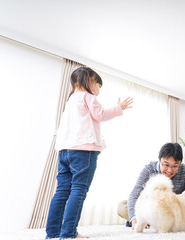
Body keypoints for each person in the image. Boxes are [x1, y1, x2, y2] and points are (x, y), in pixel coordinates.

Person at [46, 67, 133, 239]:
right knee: (79, 190)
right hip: (83, 151)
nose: (99, 90)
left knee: (62, 191)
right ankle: (69, 233)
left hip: (64, 151)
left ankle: (53, 232)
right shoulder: (88, 97)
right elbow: (100, 115)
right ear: (89, 81)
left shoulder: (70, 101)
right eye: (98, 85)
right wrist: (119, 107)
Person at [117, 143, 185, 228]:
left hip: (174, 211)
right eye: (166, 165)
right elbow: (135, 195)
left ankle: (154, 223)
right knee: (122, 206)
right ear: (159, 160)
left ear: (180, 163)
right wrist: (134, 219)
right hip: (153, 210)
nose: (170, 170)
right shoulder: (149, 170)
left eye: (175, 166)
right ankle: (148, 222)